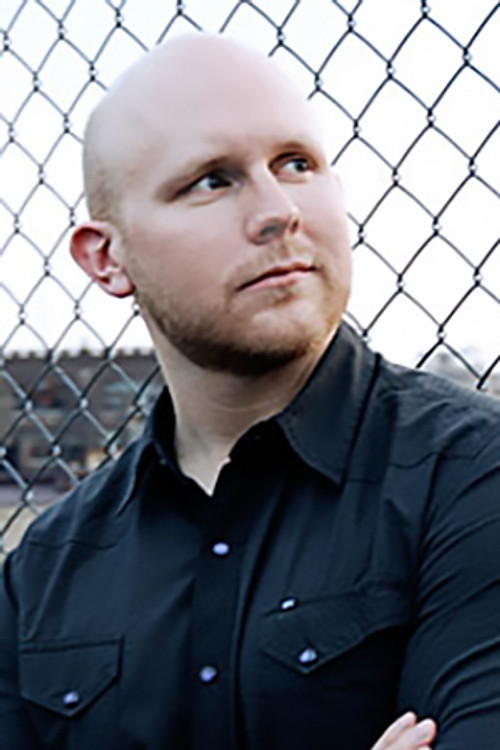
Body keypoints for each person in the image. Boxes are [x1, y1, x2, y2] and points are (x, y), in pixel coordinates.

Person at [1, 32, 499, 750]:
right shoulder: (43, 569)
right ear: (107, 258)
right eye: (212, 180)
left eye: (297, 163)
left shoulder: (473, 477)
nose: (279, 211)